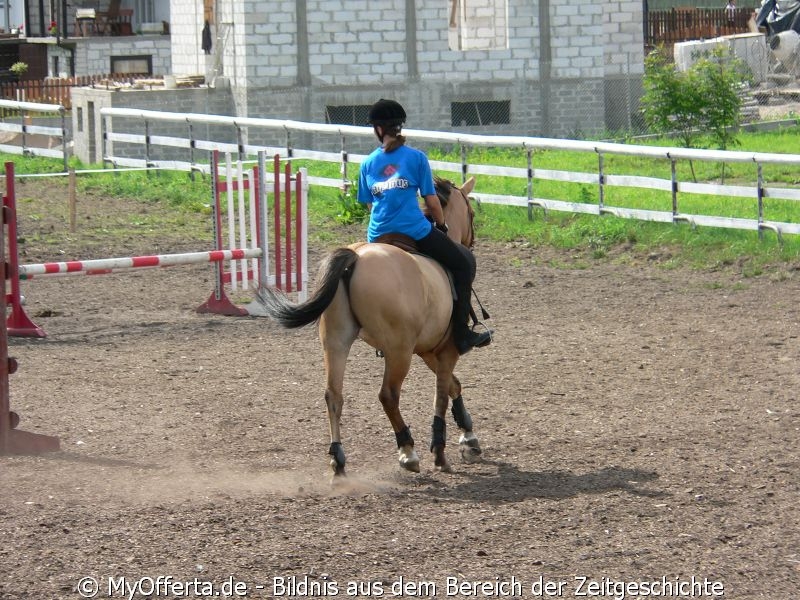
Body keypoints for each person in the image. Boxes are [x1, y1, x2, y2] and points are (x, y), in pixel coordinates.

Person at [358, 98, 491, 355]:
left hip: (377, 235)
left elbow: (369, 206)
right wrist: (440, 224)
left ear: (379, 130)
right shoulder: (417, 158)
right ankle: (462, 334)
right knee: (463, 263)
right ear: (398, 127)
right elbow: (431, 200)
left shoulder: (366, 164)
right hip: (414, 230)